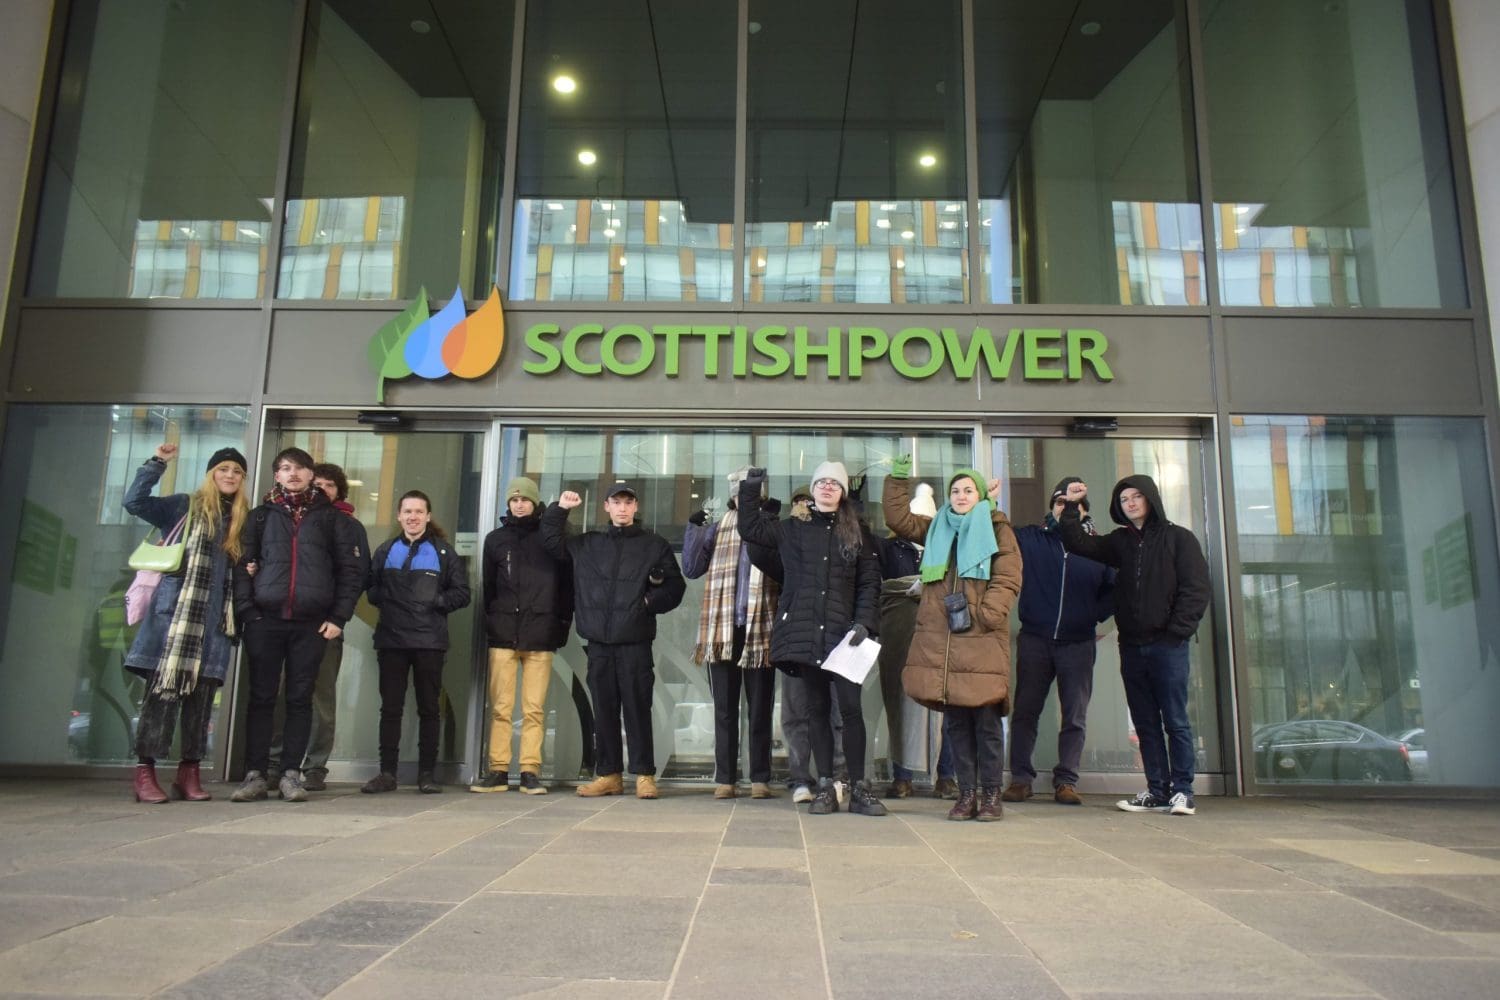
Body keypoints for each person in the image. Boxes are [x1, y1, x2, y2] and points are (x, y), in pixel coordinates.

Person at [1057, 476, 1211, 816]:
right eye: (1124, 498)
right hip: (1132, 646)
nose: (1130, 503)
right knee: (1144, 721)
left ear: (1151, 499)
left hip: (1168, 646)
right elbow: (1079, 544)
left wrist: (1176, 633)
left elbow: (1197, 589)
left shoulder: (1179, 539)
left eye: (1137, 496)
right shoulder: (1120, 542)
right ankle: (1157, 790)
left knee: (1175, 720)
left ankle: (1183, 790)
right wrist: (1070, 505)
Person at [738, 462, 884, 816]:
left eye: (835, 483)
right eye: (822, 482)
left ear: (843, 491)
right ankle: (825, 787)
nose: (828, 487)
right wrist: (750, 488)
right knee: (816, 710)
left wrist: (864, 622)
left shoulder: (857, 532)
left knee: (850, 711)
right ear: (813, 489)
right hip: (807, 634)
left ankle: (859, 788)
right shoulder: (793, 529)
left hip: (845, 636)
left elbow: (868, 581)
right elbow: (751, 528)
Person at [883, 460, 1022, 821]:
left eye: (968, 490)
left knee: (987, 722)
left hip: (981, 638)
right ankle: (967, 794)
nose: (961, 496)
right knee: (957, 724)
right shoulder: (936, 529)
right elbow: (898, 519)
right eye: (955, 491)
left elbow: (1008, 577)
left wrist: (987, 614)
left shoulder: (997, 528)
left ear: (980, 496)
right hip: (944, 642)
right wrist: (898, 479)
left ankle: (991, 795)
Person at [231, 447, 365, 803]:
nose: (292, 474)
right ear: (276, 475)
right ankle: (256, 774)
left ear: (310, 474)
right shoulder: (260, 517)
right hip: (265, 620)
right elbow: (244, 565)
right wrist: (248, 613)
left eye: (300, 468)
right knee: (261, 698)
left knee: (300, 699)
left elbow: (349, 573)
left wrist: (338, 618)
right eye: (285, 468)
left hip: (311, 623)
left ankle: (292, 773)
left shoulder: (332, 519)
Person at [122, 443, 249, 803]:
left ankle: (188, 772)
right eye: (223, 469)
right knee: (160, 698)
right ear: (212, 473)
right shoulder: (184, 506)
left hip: (214, 625)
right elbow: (134, 502)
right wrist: (157, 462)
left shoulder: (241, 519)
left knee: (201, 703)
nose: (230, 475)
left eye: (237, 471)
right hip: (174, 621)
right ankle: (145, 773)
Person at [541, 482, 685, 799]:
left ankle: (645, 775)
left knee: (637, 709)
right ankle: (609, 775)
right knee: (604, 711)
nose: (622, 507)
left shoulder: (653, 545)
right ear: (606, 507)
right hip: (598, 644)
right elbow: (550, 541)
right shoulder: (587, 544)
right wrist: (561, 508)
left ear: (635, 508)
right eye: (616, 502)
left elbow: (674, 588)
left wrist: (647, 603)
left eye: (628, 502)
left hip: (635, 641)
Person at [1002, 478, 1115, 806]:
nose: (1066, 508)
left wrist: (1093, 614)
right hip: (1035, 638)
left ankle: (1066, 781)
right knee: (1026, 710)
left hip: (1078, 642)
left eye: (1074, 504)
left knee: (1074, 714)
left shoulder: (1098, 548)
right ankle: (1020, 779)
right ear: (1051, 506)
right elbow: (998, 533)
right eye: (1060, 502)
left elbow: (1113, 589)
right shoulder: (1031, 538)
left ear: (1084, 510)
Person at [362, 490, 471, 794]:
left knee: (429, 710)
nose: (412, 516)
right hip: (391, 640)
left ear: (428, 516)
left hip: (429, 642)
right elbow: (371, 589)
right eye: (407, 511)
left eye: (418, 511)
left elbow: (462, 594)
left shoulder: (444, 552)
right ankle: (387, 773)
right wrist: (387, 597)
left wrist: (436, 600)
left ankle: (427, 774)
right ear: (399, 516)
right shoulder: (385, 550)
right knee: (391, 709)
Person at [267, 462, 367, 790]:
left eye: (330, 486)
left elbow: (356, 576)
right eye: (319, 484)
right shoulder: (291, 520)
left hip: (326, 625)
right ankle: (276, 763)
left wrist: (338, 617)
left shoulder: (349, 526)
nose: (323, 490)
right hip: (289, 622)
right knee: (283, 693)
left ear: (340, 492)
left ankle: (315, 767)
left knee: (322, 698)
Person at [683, 466, 780, 800]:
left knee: (760, 709)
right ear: (732, 495)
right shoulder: (716, 528)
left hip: (760, 629)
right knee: (724, 708)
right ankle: (725, 777)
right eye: (738, 491)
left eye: (750, 490)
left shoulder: (772, 527)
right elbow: (692, 568)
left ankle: (759, 778)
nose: (743, 497)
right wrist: (694, 529)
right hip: (721, 631)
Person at [471, 476, 572, 794]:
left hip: (540, 632)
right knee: (500, 707)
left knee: (534, 708)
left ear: (535, 503)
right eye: (514, 500)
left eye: (525, 499)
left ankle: (530, 770)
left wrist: (561, 625)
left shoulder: (550, 537)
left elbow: (566, 587)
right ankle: (498, 769)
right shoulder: (495, 539)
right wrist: (495, 622)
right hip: (503, 633)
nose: (519, 504)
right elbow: (489, 588)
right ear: (507, 504)